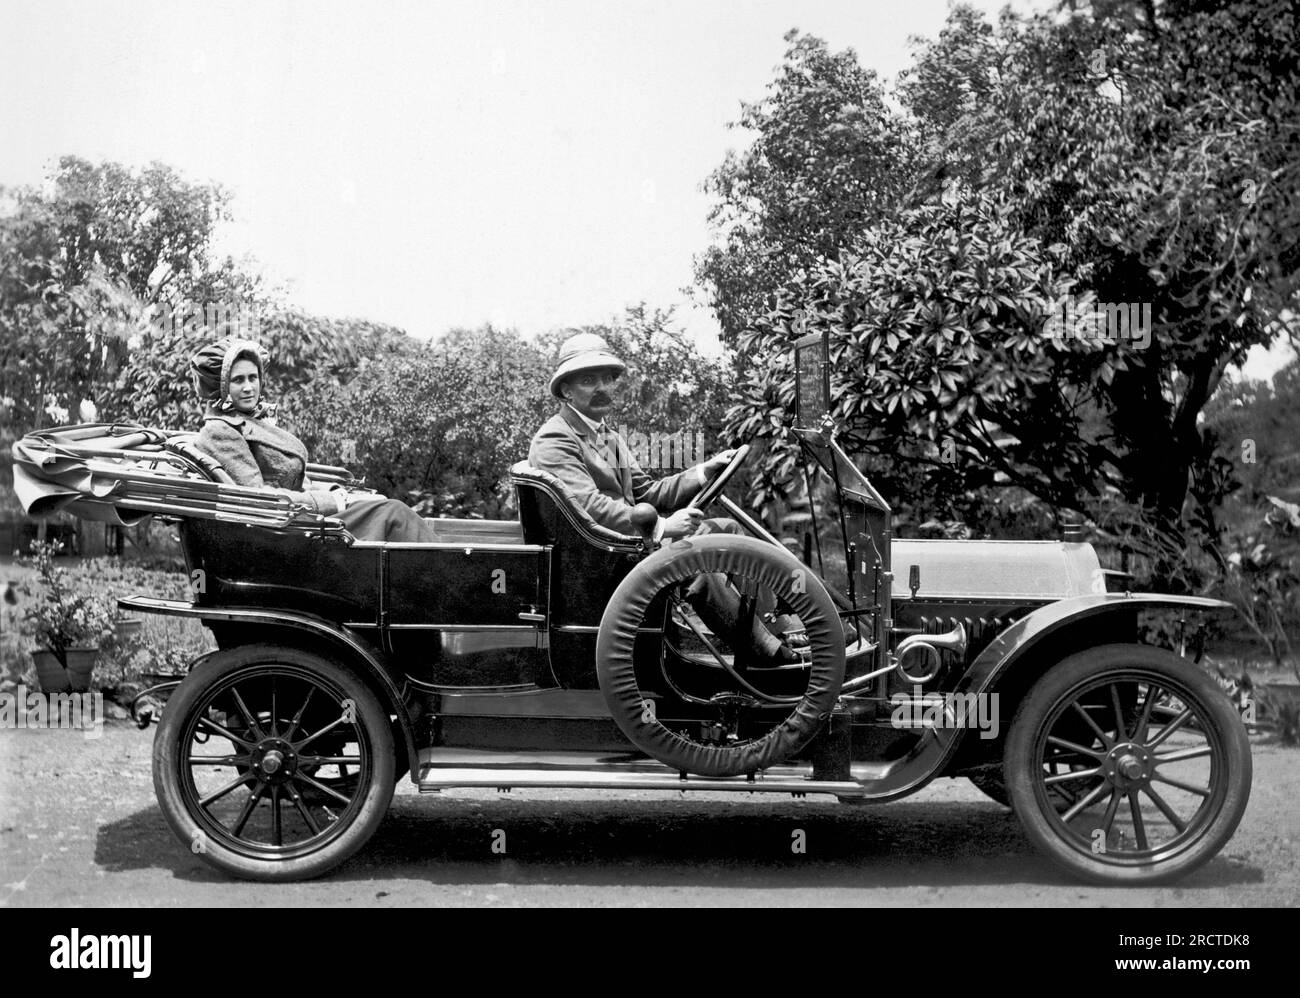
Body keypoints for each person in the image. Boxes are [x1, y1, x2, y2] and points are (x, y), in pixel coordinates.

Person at [529, 332, 802, 665]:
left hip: (628, 545)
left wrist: (705, 471)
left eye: (607, 379)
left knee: (727, 529)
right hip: (603, 556)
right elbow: (589, 508)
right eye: (588, 380)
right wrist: (662, 527)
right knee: (698, 563)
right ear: (566, 390)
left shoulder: (605, 434)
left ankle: (775, 624)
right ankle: (765, 652)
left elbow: (646, 492)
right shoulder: (556, 438)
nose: (602, 387)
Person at [189, 337, 439, 543]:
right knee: (393, 514)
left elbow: (295, 479)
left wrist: (339, 492)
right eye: (238, 380)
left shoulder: (250, 421)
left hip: (301, 518)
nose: (248, 388)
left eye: (253, 378)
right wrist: (337, 502)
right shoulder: (220, 431)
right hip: (282, 531)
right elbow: (260, 498)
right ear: (221, 386)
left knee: (388, 508)